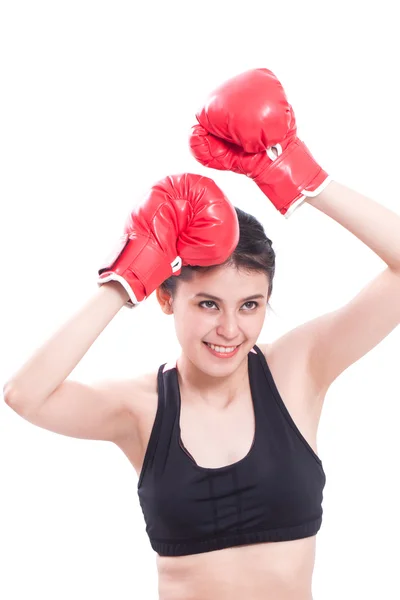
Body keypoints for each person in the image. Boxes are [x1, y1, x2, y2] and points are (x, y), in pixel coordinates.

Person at [3, 69, 400, 600]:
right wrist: (125, 278)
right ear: (166, 297)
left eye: (251, 305)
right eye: (208, 304)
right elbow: (25, 396)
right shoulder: (141, 408)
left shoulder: (297, 370)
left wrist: (304, 177)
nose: (230, 330)